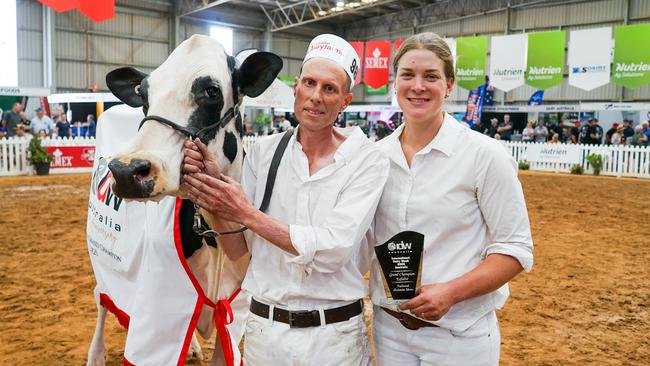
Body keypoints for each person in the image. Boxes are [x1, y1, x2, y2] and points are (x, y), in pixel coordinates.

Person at [182, 34, 389, 366]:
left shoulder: (368, 161)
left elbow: (332, 250)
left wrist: (247, 214)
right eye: (309, 83)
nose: (316, 97)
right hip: (266, 335)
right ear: (296, 88)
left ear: (345, 101)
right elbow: (241, 252)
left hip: (334, 342)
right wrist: (210, 192)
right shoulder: (263, 154)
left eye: (330, 88)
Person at [368, 32, 533, 366]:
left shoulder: (484, 155)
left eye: (431, 76)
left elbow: (515, 248)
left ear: (449, 84)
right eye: (408, 75)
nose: (418, 86)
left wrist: (451, 292)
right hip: (390, 329)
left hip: (459, 335)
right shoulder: (373, 158)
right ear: (394, 82)